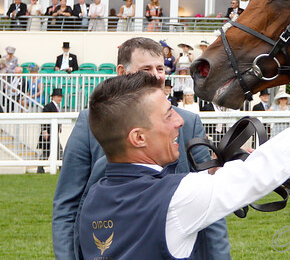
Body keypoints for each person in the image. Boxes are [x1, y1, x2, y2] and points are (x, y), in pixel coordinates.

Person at [78, 67, 290, 258]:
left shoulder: (93, 199)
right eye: (167, 115)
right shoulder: (176, 197)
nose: (179, 121)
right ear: (138, 137)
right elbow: (258, 172)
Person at [53, 37, 232, 260]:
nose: (156, 76)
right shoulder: (88, 122)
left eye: (160, 68)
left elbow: (209, 204)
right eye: (146, 69)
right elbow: (67, 205)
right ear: (121, 71)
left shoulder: (188, 121)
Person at [38, 88, 64, 173]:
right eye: (58, 97)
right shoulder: (48, 106)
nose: (60, 99)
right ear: (53, 97)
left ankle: (41, 168)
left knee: (50, 151)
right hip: (49, 133)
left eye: (60, 97)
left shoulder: (55, 107)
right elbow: (44, 119)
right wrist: (45, 131)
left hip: (54, 132)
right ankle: (60, 168)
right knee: (52, 151)